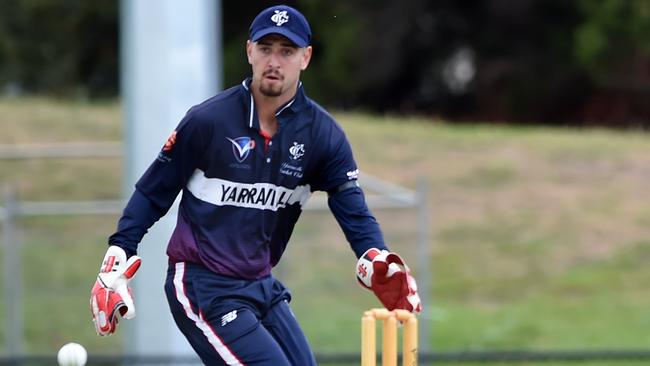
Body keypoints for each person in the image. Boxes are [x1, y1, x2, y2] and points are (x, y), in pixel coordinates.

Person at [89, 4, 421, 365]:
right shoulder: (208, 121)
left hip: (260, 284)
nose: (274, 61)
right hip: (203, 285)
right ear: (250, 51)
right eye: (265, 49)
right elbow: (154, 191)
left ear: (305, 57)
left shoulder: (323, 135)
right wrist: (118, 253)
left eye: (287, 51)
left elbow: (351, 206)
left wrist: (373, 256)